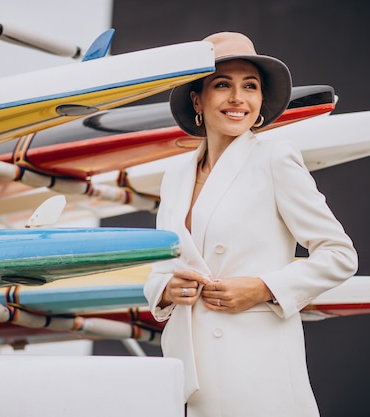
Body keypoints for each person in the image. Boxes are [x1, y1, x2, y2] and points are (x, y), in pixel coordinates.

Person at [143, 32, 358, 417]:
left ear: (260, 102)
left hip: (258, 366)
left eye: (250, 86)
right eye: (222, 84)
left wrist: (263, 288)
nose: (237, 98)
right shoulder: (175, 174)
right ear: (198, 99)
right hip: (190, 370)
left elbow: (340, 255)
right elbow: (164, 265)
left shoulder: (275, 158)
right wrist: (165, 289)